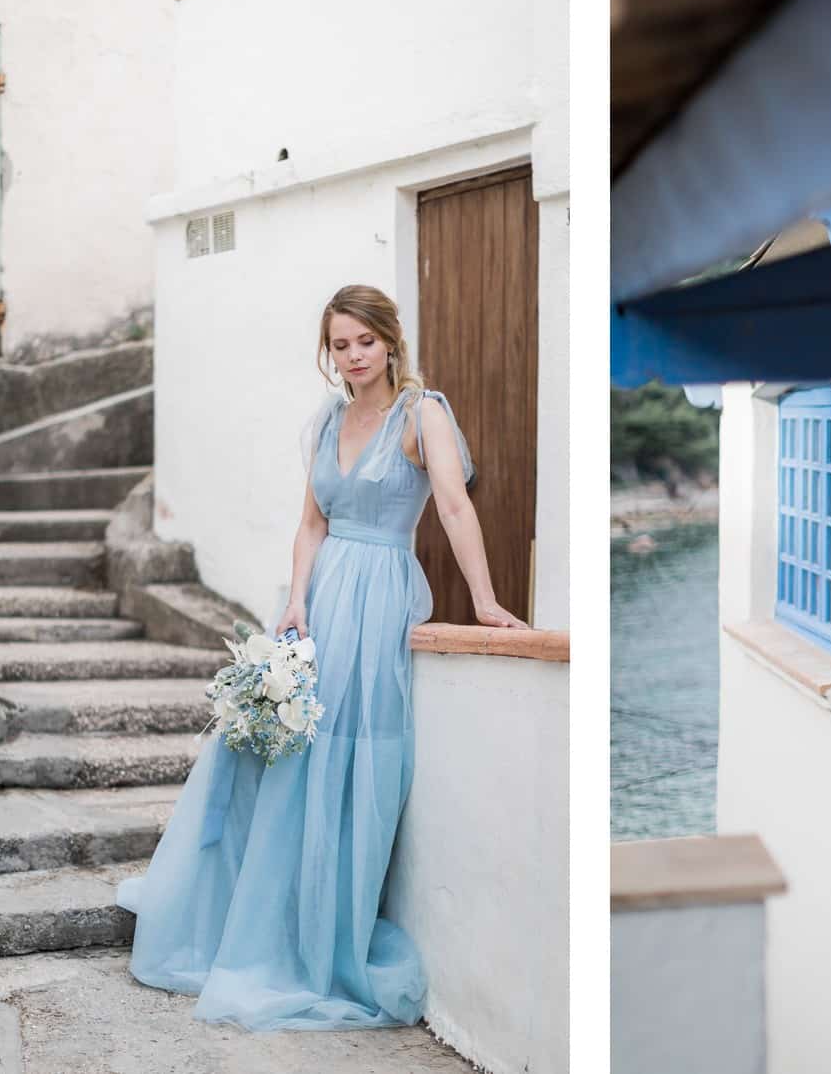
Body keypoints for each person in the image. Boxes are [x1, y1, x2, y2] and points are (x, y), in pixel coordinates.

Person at [117, 283, 526, 1031]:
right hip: (322, 600)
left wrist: (486, 599)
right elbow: (310, 523)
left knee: (347, 763)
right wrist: (297, 600)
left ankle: (320, 935)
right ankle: (243, 917)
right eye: (339, 345)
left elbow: (455, 505)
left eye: (364, 341)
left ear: (390, 340)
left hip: (378, 597)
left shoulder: (421, 413)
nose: (353, 357)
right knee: (277, 757)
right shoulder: (329, 419)